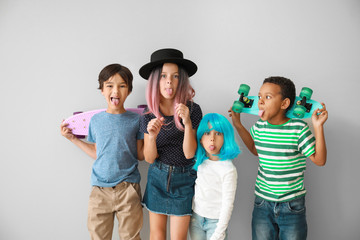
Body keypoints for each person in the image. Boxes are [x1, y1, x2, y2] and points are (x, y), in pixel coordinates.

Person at [229, 76, 328, 240]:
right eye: (260, 96)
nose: (260, 102)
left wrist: (318, 127)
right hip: (262, 203)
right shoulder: (259, 127)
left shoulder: (298, 128)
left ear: (284, 104)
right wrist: (238, 125)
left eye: (267, 97)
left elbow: (320, 160)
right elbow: (255, 149)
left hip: (292, 204)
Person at [60, 64, 144, 240]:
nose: (116, 91)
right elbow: (98, 152)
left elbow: (140, 153)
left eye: (122, 86)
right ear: (102, 90)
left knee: (131, 237)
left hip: (128, 188)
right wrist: (73, 139)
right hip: (99, 190)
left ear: (129, 90)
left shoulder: (136, 120)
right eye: (110, 85)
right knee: (98, 237)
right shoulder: (96, 121)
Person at [139, 48, 203, 240]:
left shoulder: (193, 109)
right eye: (164, 76)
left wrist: (188, 124)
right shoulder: (148, 116)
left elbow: (190, 153)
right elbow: (149, 158)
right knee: (157, 235)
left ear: (181, 80)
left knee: (178, 237)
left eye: (175, 76)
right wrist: (151, 136)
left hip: (184, 179)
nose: (169, 81)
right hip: (157, 176)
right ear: (155, 81)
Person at [189, 113, 241, 240]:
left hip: (216, 223)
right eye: (207, 133)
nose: (212, 139)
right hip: (196, 219)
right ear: (200, 138)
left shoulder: (228, 169)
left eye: (218, 134)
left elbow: (228, 204)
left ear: (225, 138)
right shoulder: (200, 162)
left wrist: (219, 233)